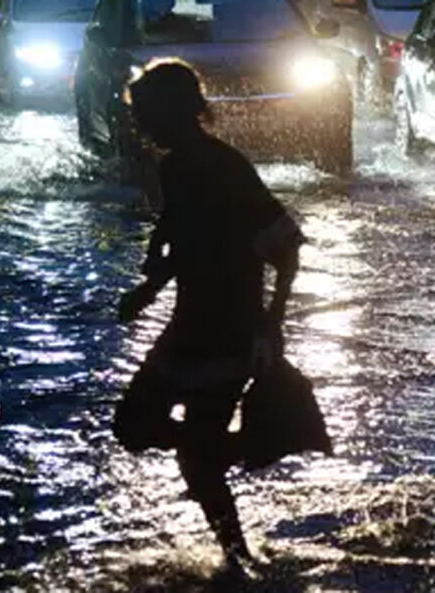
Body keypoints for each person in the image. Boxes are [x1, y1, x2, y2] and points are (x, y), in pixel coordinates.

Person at [114, 59, 304, 574]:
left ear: (173, 113)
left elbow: (287, 245)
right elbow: (185, 234)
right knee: (132, 425)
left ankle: (238, 560)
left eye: (144, 115)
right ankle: (229, 454)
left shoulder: (225, 167)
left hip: (229, 331)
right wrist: (148, 290)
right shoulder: (174, 167)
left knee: (194, 464)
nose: (138, 126)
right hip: (187, 327)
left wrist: (273, 322)